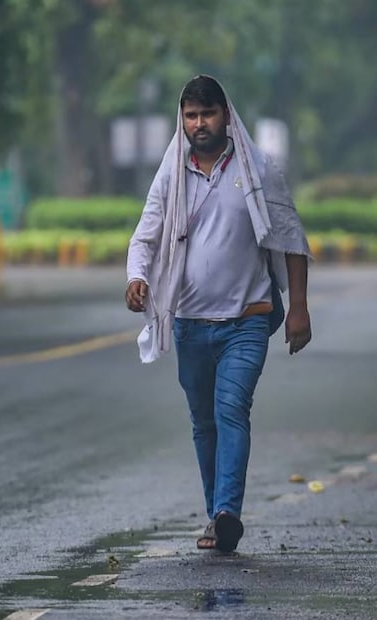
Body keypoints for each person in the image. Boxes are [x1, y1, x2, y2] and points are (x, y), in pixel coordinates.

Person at [125, 75, 312, 552]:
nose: (200, 123)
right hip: (189, 323)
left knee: (232, 409)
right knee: (203, 422)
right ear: (182, 120)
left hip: (246, 320)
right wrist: (136, 277)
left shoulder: (258, 171)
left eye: (208, 114)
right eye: (191, 115)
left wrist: (299, 310)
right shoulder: (171, 174)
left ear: (226, 115)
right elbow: (146, 232)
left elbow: (291, 239)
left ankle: (228, 509)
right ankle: (216, 516)